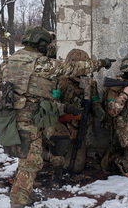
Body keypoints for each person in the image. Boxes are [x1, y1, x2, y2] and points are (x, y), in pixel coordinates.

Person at [0, 26, 113, 208]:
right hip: (28, 120)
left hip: (11, 118)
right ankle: (18, 202)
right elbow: (74, 68)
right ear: (41, 44)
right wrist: (102, 62)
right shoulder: (41, 63)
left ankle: (26, 194)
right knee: (32, 162)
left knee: (27, 158)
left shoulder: (8, 62)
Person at [42, 49, 105, 188]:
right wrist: (68, 109)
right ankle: (46, 156)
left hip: (77, 129)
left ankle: (55, 157)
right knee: (59, 150)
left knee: (76, 168)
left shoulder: (90, 84)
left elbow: (95, 102)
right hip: (59, 125)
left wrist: (100, 112)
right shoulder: (61, 82)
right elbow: (52, 105)